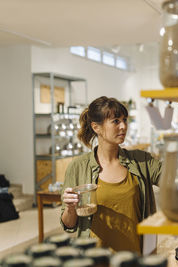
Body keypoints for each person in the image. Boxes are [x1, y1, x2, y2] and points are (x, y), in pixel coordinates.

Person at [60, 96, 162, 253]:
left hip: (133, 259)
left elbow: (171, 179)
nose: (123, 126)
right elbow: (69, 225)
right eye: (116, 121)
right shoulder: (78, 167)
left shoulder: (141, 161)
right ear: (96, 127)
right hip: (94, 260)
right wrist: (70, 208)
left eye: (125, 120)